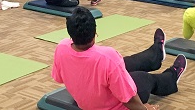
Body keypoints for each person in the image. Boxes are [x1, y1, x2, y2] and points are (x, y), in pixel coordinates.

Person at [52, 6, 187, 110]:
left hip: (90, 97)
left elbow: (59, 78)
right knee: (145, 78)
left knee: (122, 63)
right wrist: (145, 108)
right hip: (114, 107)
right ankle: (172, 76)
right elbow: (128, 99)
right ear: (95, 33)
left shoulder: (62, 47)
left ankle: (155, 55)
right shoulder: (107, 56)